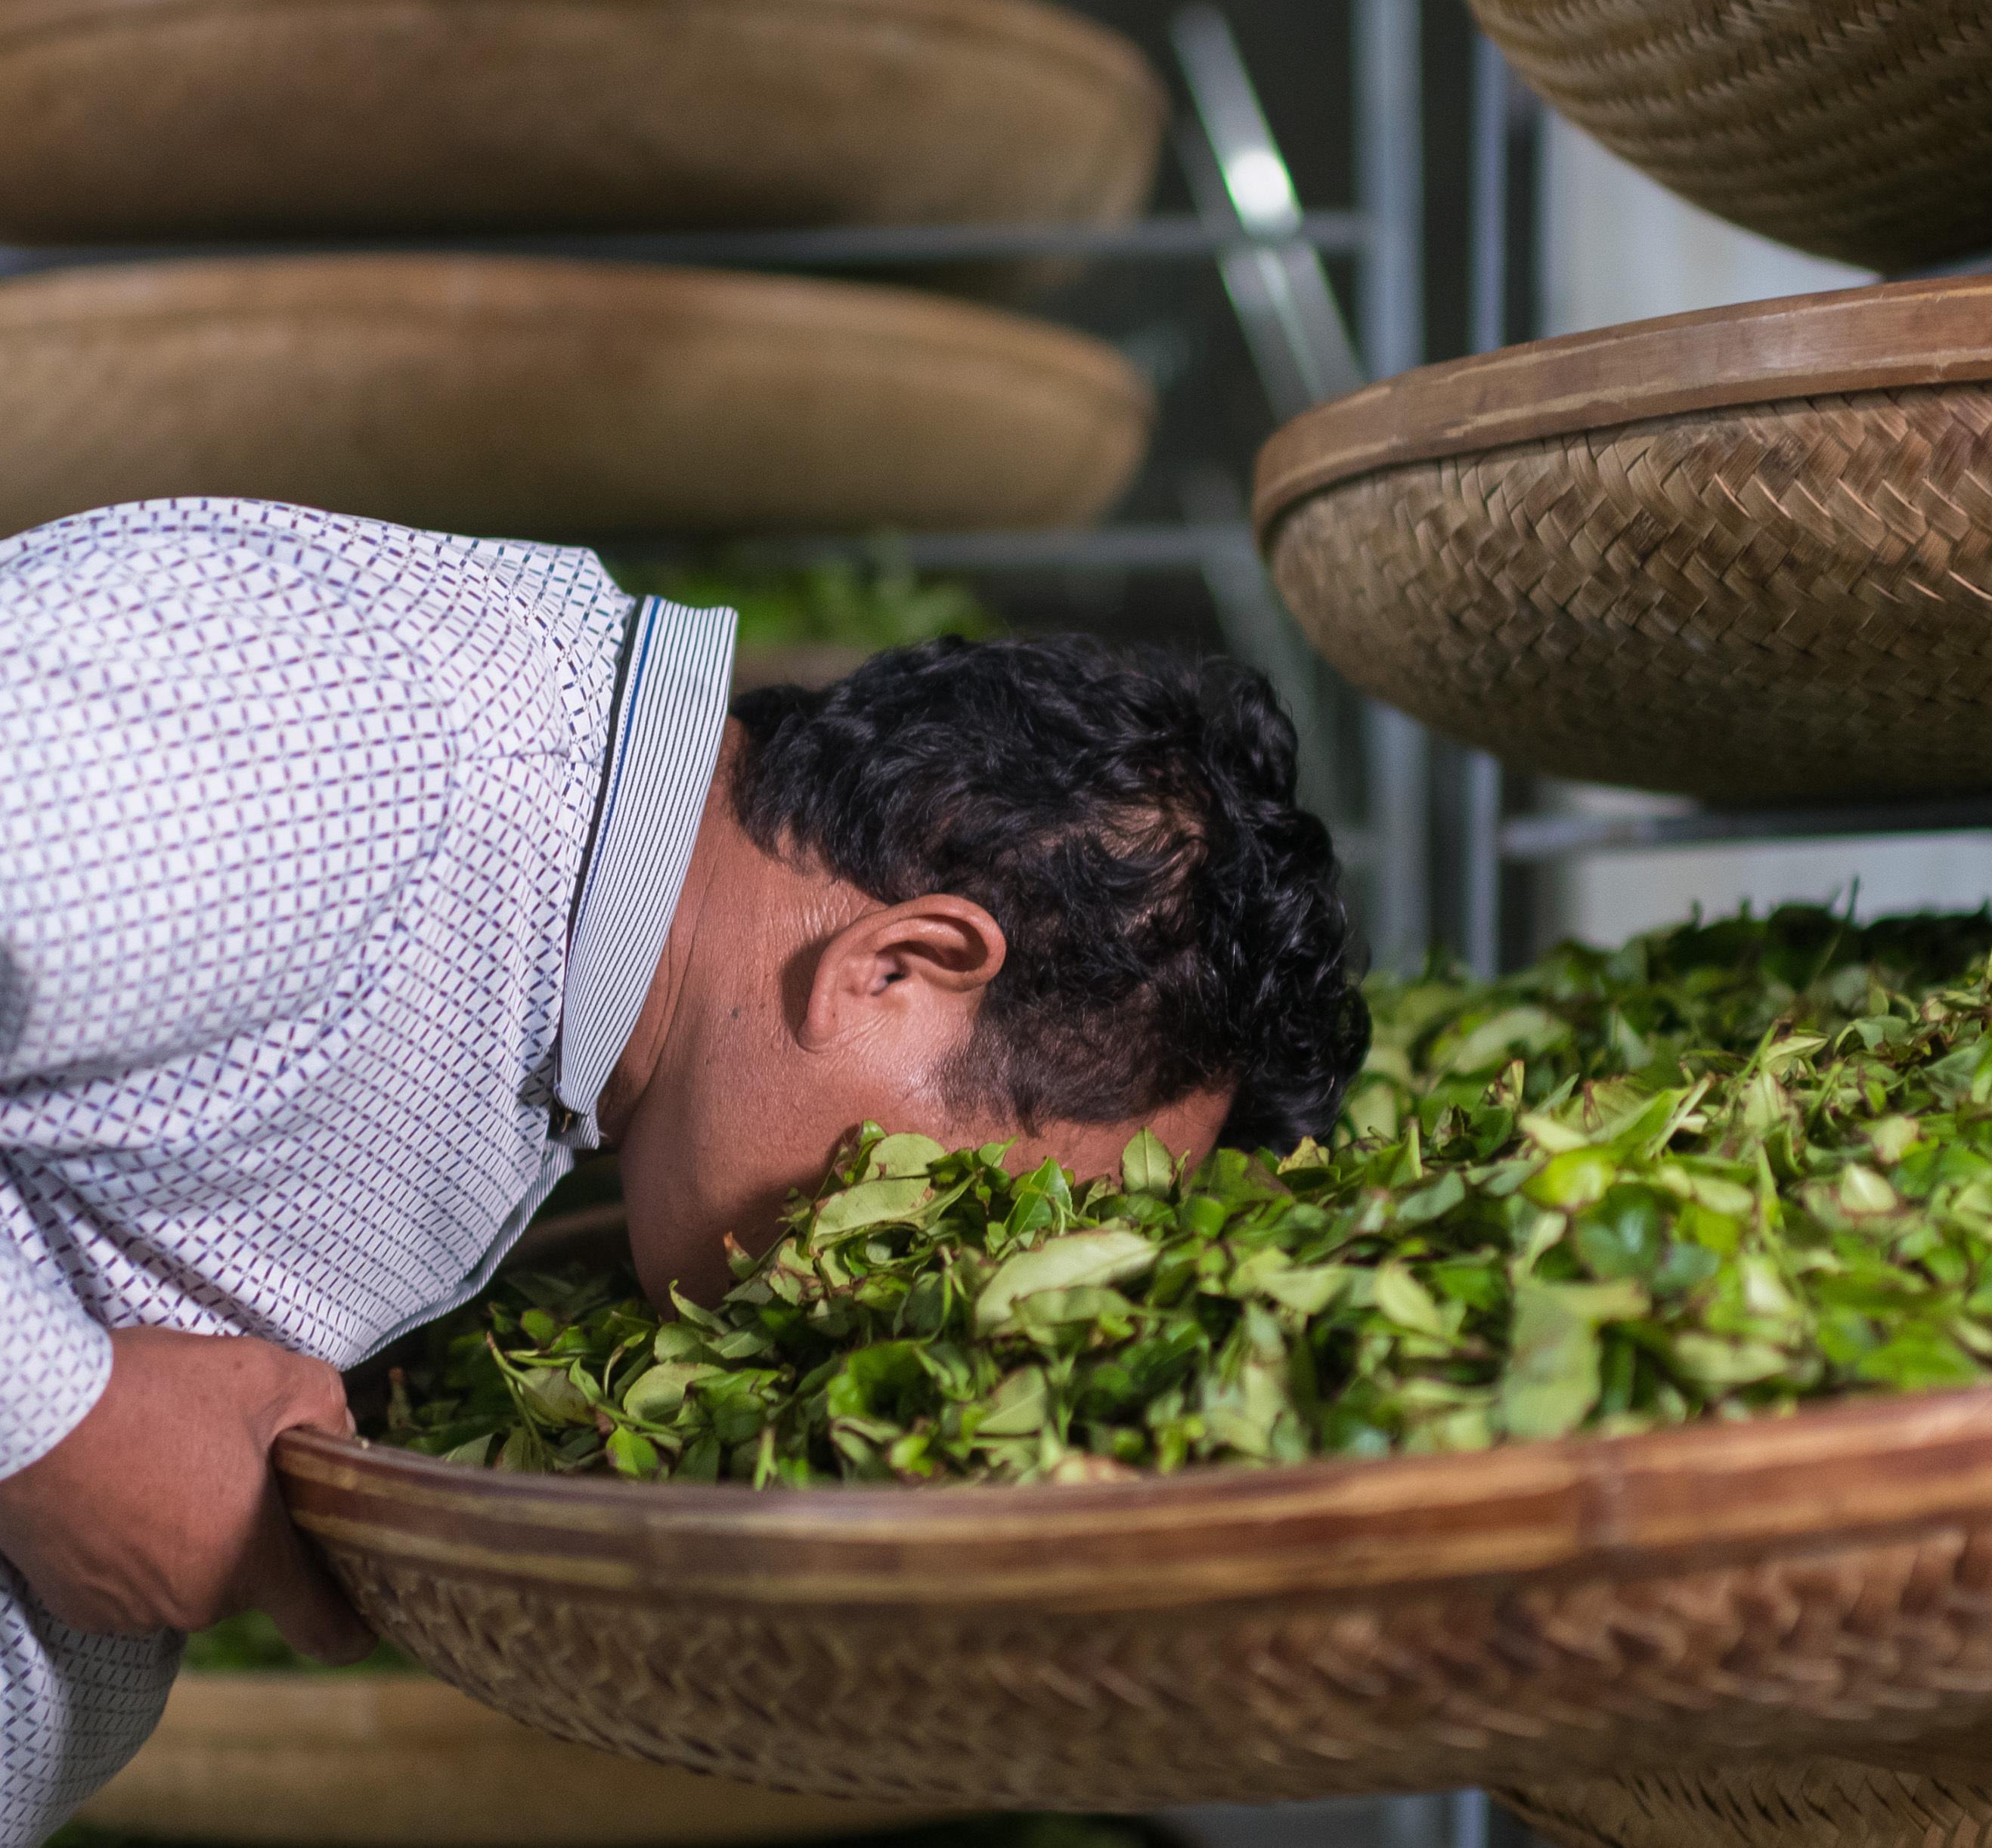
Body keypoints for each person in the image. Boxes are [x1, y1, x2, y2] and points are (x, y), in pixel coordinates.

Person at [0, 498, 1365, 1837]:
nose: (942, 1299)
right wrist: (58, 1431)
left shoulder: (569, 983)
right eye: (976, 1220)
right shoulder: (379, 740)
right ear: (899, 971)